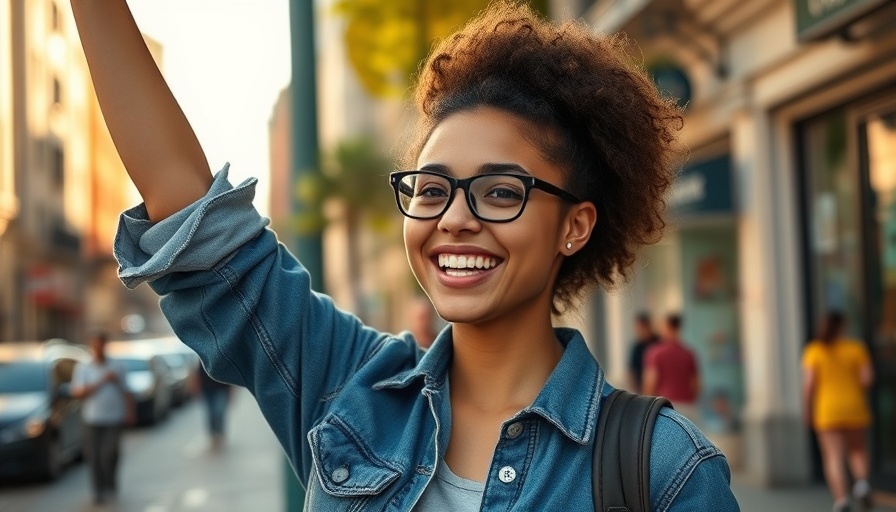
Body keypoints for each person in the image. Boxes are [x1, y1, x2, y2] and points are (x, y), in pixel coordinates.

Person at [70, 1, 739, 509]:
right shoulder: (347, 392)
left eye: (500, 191)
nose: (454, 218)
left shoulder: (666, 471)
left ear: (576, 226)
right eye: (432, 188)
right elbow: (191, 215)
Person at [802, 311, 874, 512]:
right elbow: (867, 379)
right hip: (854, 407)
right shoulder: (856, 349)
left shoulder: (814, 351)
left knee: (833, 457)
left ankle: (842, 500)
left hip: (827, 410)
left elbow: (809, 387)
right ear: (843, 327)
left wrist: (807, 412)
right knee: (857, 449)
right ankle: (861, 484)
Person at [71, 331, 134, 505]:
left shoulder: (117, 365)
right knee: (94, 456)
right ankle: (98, 490)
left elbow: (127, 390)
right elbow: (77, 393)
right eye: (94, 345)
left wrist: (130, 411)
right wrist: (101, 381)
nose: (98, 348)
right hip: (92, 419)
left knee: (111, 453)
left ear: (105, 345)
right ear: (91, 346)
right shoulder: (83, 368)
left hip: (114, 417)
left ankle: (110, 482)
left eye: (101, 344)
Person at [642, 314, 700, 421]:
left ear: (666, 327)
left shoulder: (656, 353)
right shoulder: (688, 353)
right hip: (688, 406)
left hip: (666, 407)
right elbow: (696, 384)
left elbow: (651, 382)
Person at [196, 364, 234, 450]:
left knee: (219, 412)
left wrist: (230, 391)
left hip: (221, 389)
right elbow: (198, 373)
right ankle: (213, 435)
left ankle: (219, 434)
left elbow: (229, 374)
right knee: (210, 413)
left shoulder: (221, 355)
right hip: (206, 389)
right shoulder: (203, 355)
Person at [627, 312, 659, 393]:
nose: (638, 330)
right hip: (642, 391)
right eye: (636, 327)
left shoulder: (658, 343)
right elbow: (632, 371)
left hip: (658, 390)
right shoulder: (637, 347)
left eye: (640, 327)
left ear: (647, 326)